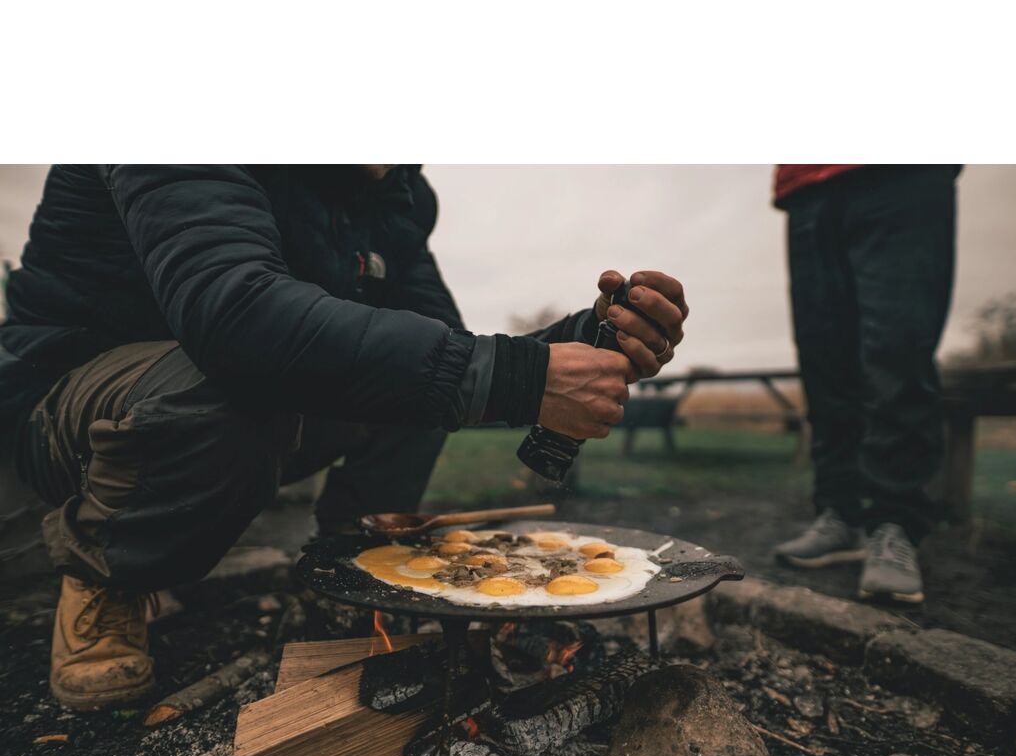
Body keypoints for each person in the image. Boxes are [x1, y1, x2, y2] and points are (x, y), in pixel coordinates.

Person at [0, 164, 687, 710]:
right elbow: (236, 319)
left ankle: (350, 570)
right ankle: (108, 574)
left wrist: (574, 346)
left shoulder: (393, 193)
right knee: (237, 381)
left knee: (422, 379)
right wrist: (517, 376)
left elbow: (442, 345)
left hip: (228, 391)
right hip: (70, 402)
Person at [772, 164, 959, 604]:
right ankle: (841, 512)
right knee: (823, 359)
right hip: (805, 188)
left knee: (898, 349)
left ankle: (895, 522)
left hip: (902, 170)